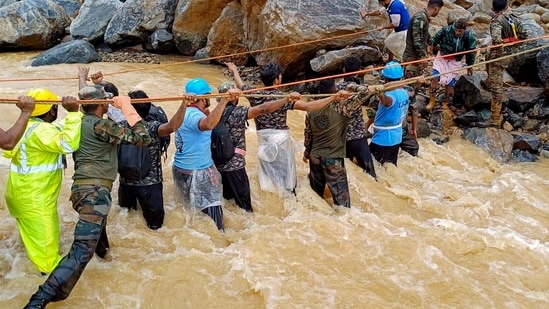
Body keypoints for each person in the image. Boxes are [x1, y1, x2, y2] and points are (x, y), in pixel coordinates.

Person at [24, 85, 152, 308]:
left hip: (81, 192)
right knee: (82, 249)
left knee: (96, 233)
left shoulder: (74, 123)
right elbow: (143, 138)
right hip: (95, 194)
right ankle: (39, 299)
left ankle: (104, 255)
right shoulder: (102, 125)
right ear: (102, 104)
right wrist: (127, 108)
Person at [227, 62, 343, 194]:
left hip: (264, 142)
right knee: (287, 180)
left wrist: (235, 70)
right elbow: (309, 107)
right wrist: (334, 97)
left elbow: (239, 85)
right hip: (281, 142)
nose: (281, 77)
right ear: (276, 80)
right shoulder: (284, 98)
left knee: (269, 178)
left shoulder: (255, 93)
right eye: (280, 76)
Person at [3, 90, 80, 275]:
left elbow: (8, 151)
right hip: (37, 201)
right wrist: (73, 113)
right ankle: (45, 285)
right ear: (53, 111)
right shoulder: (43, 131)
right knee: (48, 262)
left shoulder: (21, 127)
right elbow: (68, 144)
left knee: (33, 242)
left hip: (19, 197)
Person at [214, 81, 301, 213]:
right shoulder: (238, 112)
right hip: (235, 167)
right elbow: (263, 109)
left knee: (228, 204)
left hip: (218, 166)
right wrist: (286, 99)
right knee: (245, 209)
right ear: (235, 97)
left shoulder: (211, 114)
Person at [172, 78, 240, 231]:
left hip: (180, 169)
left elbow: (206, 117)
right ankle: (220, 241)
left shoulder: (183, 112)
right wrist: (224, 101)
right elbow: (208, 124)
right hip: (198, 172)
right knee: (214, 218)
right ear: (204, 97)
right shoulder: (195, 116)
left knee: (190, 212)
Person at [117, 90, 187, 230]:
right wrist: (184, 104)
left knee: (125, 222)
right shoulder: (152, 127)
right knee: (156, 228)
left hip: (125, 183)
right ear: (149, 108)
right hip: (150, 186)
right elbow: (172, 126)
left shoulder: (118, 127)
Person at [303, 79, 371, 207]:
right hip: (332, 159)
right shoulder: (342, 106)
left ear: (319, 91)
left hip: (315, 157)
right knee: (342, 202)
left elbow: (308, 135)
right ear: (335, 90)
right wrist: (351, 86)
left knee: (315, 196)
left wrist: (306, 153)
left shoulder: (311, 109)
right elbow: (366, 92)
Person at [367, 61, 420, 166]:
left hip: (383, 139)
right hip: (397, 136)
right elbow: (414, 110)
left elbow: (386, 103)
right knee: (390, 165)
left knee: (370, 167)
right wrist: (414, 128)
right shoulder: (406, 92)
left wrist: (380, 95)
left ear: (385, 78)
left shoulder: (387, 96)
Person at [485, 0, 526, 127]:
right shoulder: (514, 19)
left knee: (496, 88)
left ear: (492, 8)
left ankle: (495, 118)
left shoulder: (497, 21)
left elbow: (497, 40)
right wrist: (514, 45)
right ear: (507, 7)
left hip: (499, 56)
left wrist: (501, 46)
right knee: (486, 55)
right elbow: (524, 35)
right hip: (512, 53)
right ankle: (488, 79)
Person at [336, 57, 377, 179]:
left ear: (344, 70)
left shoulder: (336, 88)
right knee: (370, 174)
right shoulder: (361, 90)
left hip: (341, 137)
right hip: (357, 137)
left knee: (347, 173)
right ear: (359, 71)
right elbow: (370, 90)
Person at [428, 18, 477, 111]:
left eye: (460, 31)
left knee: (450, 82)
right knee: (434, 77)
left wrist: (470, 65)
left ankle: (446, 101)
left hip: (455, 60)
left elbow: (471, 52)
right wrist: (431, 46)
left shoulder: (468, 36)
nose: (457, 33)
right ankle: (432, 100)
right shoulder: (447, 30)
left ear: (464, 30)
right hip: (442, 57)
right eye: (456, 30)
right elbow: (435, 38)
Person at [402, 0, 444, 83]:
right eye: (439, 10)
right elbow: (416, 38)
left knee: (416, 82)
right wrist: (422, 57)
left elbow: (424, 33)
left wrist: (430, 42)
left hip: (416, 56)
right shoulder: (420, 17)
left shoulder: (424, 17)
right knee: (411, 84)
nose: (438, 12)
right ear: (436, 8)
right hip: (412, 57)